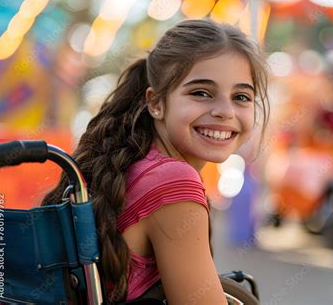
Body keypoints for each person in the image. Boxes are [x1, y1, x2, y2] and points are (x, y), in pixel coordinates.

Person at [42, 19, 269, 304]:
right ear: (156, 103)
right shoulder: (174, 182)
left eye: (241, 96)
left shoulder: (134, 164)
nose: (225, 111)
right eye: (201, 93)